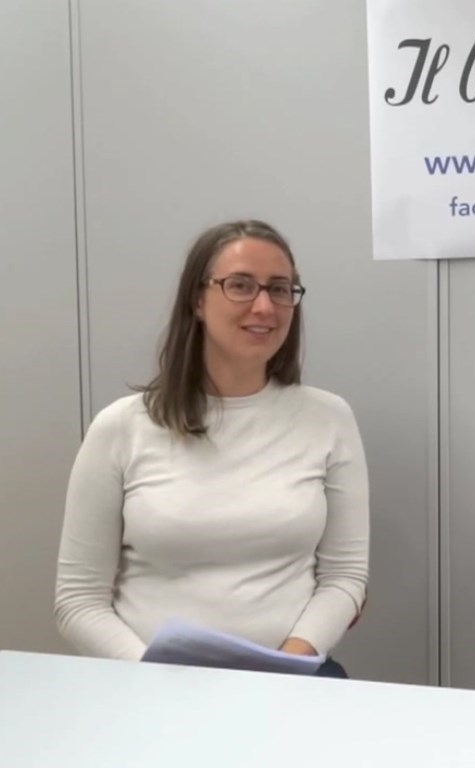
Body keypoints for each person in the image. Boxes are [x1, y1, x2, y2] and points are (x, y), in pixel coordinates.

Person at [55, 220, 368, 678]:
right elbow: (78, 600)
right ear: (197, 300)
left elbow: (345, 578)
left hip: (291, 683)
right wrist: (153, 678)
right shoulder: (121, 428)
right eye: (240, 285)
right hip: (149, 690)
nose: (265, 306)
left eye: (280, 289)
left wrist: (290, 663)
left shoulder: (329, 419)